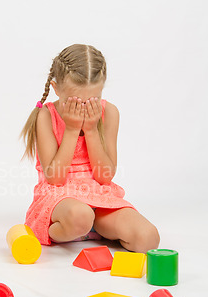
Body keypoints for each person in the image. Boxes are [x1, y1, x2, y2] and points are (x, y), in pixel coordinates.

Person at [21, 44, 159, 253]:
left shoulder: (110, 113)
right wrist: (71, 129)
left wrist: (92, 130)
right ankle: (53, 229)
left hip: (98, 196)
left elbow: (105, 176)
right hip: (61, 198)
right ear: (56, 89)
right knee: (81, 216)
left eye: (91, 100)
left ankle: (97, 229)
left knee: (148, 238)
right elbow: (55, 178)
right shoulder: (46, 116)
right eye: (75, 101)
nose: (83, 108)